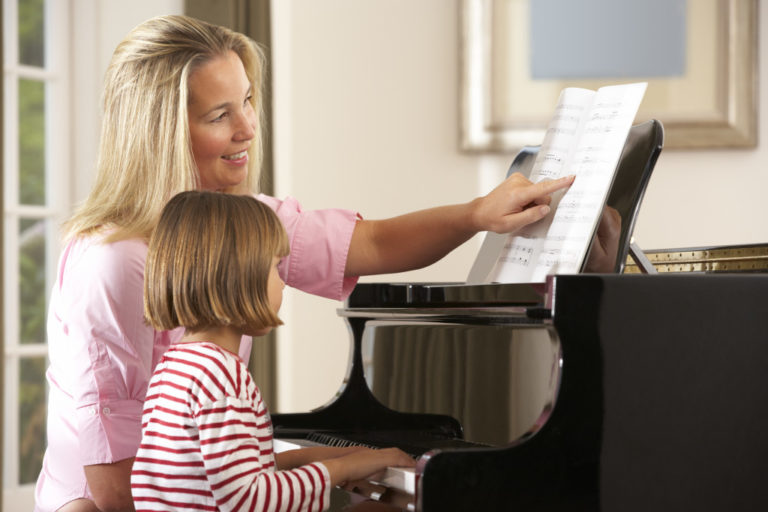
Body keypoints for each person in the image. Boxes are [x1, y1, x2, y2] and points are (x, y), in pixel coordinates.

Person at [34, 14, 618, 512]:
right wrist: (336, 474)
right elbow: (116, 490)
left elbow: (373, 245)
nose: (247, 128)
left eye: (248, 101)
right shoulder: (113, 267)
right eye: (219, 115)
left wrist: (478, 214)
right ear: (158, 132)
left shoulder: (241, 225)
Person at [130, 190, 414, 511]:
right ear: (238, 275)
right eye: (275, 267)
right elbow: (250, 498)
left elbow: (248, 470)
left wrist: (349, 457)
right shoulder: (220, 375)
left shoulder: (176, 367)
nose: (282, 284)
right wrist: (343, 469)